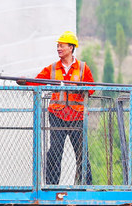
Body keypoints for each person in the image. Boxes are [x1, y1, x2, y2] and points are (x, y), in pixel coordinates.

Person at [31, 31, 95, 185]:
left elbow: (91, 87)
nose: (58, 48)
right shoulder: (53, 68)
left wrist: (79, 89)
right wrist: (24, 83)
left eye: (62, 46)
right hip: (57, 115)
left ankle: (86, 185)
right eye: (58, 46)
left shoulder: (82, 68)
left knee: (81, 153)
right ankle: (51, 185)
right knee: (55, 151)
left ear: (71, 48)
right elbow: (37, 81)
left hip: (77, 116)